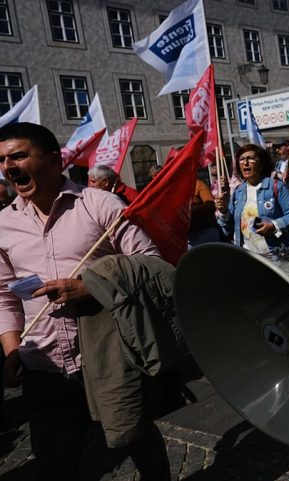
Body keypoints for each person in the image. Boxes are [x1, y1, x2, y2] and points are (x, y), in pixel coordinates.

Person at [0, 122, 170, 480]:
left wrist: (90, 286)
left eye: (18, 155)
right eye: (2, 159)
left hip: (108, 361)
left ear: (52, 160)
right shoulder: (3, 224)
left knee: (137, 441)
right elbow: (3, 297)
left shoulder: (98, 204)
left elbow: (152, 264)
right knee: (55, 464)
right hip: (42, 368)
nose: (7, 166)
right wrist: (11, 349)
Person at [214, 143, 289, 255]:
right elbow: (230, 227)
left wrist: (274, 225)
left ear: (261, 164)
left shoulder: (275, 186)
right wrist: (224, 211)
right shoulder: (238, 192)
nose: (245, 163)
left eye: (250, 158)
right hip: (247, 256)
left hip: (274, 254)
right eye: (241, 159)